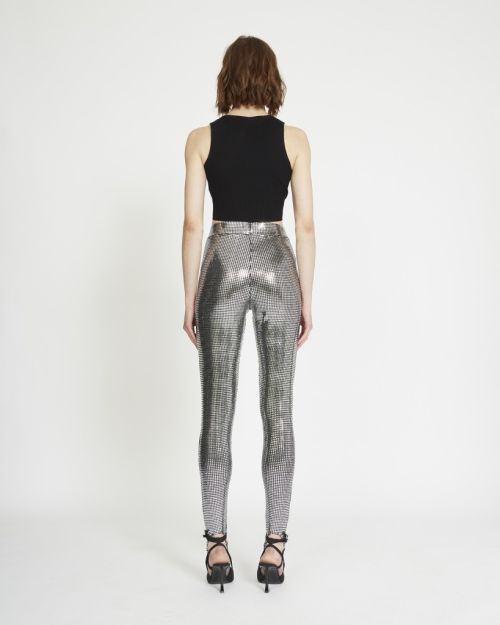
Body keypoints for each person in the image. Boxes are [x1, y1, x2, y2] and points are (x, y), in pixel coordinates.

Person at [182, 35, 315, 592]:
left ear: (227, 77)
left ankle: (217, 545)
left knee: (217, 410)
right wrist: (306, 297)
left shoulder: (201, 139)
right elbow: (305, 226)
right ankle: (274, 548)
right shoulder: (294, 138)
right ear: (270, 78)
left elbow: (193, 224)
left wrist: (190, 297)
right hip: (278, 266)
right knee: (278, 411)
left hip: (222, 263)